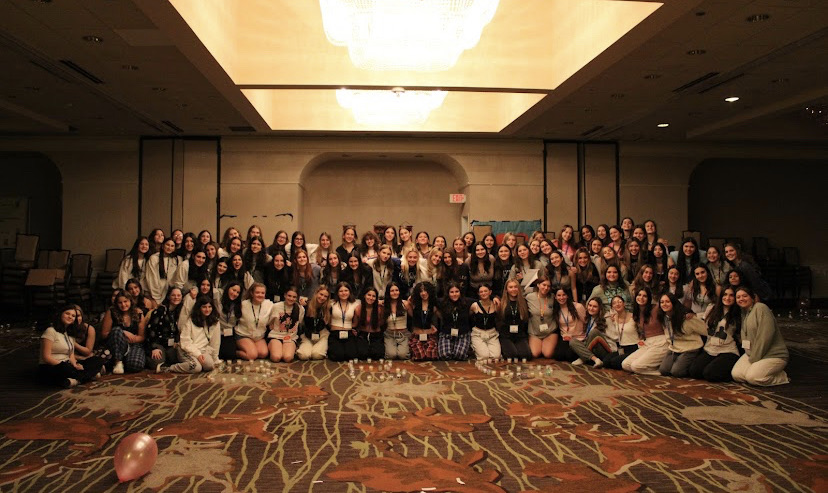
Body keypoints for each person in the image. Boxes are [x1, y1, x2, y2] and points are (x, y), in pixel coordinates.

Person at [731, 286, 789, 386]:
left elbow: (765, 337)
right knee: (737, 375)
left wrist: (753, 359)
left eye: (745, 296)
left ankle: (781, 376)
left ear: (752, 297)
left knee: (753, 378)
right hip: (752, 353)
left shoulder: (761, 308)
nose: (741, 299)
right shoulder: (744, 312)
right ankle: (758, 369)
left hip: (773, 354)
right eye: (738, 297)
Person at [37, 305, 103, 388]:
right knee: (65, 368)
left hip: (68, 365)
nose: (70, 317)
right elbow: (46, 357)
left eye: (73, 316)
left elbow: (71, 355)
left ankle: (76, 379)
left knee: (97, 360)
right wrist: (64, 365)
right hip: (52, 366)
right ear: (61, 314)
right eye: (67, 314)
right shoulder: (50, 331)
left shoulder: (70, 334)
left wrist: (75, 365)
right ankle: (87, 376)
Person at [688, 287, 741, 382]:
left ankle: (732, 371)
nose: (727, 298)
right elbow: (702, 319)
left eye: (731, 295)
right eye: (725, 294)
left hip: (727, 350)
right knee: (694, 372)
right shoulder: (712, 308)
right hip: (710, 348)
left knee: (710, 374)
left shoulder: (738, 313)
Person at [166, 296, 220, 373]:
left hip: (202, 350)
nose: (207, 310)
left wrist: (215, 358)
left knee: (209, 366)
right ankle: (169, 368)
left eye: (209, 307)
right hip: (186, 350)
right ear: (199, 308)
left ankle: (193, 363)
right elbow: (185, 342)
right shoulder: (190, 320)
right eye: (204, 307)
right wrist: (197, 355)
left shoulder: (215, 321)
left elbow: (216, 342)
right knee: (196, 368)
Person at [621, 288, 669, 375]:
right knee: (626, 365)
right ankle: (651, 366)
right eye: (639, 295)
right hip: (647, 343)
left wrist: (689, 313)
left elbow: (674, 306)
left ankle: (661, 372)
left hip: (661, 342)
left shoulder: (656, 308)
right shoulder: (637, 312)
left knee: (635, 367)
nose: (641, 298)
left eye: (645, 296)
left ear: (649, 298)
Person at [657, 292, 706, 378]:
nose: (664, 304)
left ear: (673, 303)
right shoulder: (664, 317)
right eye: (662, 302)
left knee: (677, 372)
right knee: (664, 370)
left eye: (667, 302)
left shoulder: (686, 317)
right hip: (674, 348)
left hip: (690, 348)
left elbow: (705, 330)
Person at [101, 292, 149, 374]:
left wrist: (131, 339)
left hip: (134, 344)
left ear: (130, 301)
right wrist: (122, 332)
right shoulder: (111, 312)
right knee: (117, 330)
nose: (123, 305)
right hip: (116, 342)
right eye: (120, 302)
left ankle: (122, 360)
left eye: (125, 301)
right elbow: (104, 334)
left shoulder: (138, 313)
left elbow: (142, 337)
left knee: (135, 365)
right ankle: (118, 361)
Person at [144, 287, 184, 372]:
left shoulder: (180, 312)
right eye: (173, 295)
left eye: (178, 295)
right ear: (168, 297)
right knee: (157, 362)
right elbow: (151, 330)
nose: (176, 297)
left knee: (178, 359)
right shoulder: (160, 310)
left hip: (172, 344)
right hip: (158, 343)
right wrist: (154, 348)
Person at [602, 295, 642, 370]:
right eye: (614, 303)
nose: (617, 304)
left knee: (615, 362)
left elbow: (641, 331)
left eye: (619, 302)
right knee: (606, 361)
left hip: (634, 347)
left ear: (624, 304)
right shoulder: (613, 318)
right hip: (621, 348)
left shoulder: (633, 317)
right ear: (612, 307)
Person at [236, 283, 273, 361]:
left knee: (263, 353)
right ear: (252, 293)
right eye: (257, 292)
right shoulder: (243, 305)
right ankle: (235, 352)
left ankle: (251, 347)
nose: (260, 295)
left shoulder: (269, 305)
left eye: (262, 293)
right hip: (243, 335)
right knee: (252, 355)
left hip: (259, 337)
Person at [266, 286, 304, 363]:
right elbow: (269, 322)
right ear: (285, 295)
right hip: (276, 336)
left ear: (297, 298)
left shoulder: (300, 308)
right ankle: (272, 347)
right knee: (276, 357)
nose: (291, 299)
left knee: (287, 358)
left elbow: (299, 322)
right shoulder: (276, 306)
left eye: (294, 297)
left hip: (290, 337)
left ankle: (290, 348)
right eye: (289, 296)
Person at [569, 298, 609, 368]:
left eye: (595, 306)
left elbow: (611, 338)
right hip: (591, 345)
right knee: (572, 341)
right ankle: (595, 359)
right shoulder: (588, 318)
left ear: (599, 308)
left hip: (603, 347)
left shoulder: (606, 318)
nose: (591, 308)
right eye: (590, 305)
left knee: (594, 332)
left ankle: (583, 358)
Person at [437, 283, 473, 360]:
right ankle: (452, 347)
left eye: (457, 291)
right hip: (446, 334)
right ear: (448, 293)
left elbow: (482, 299)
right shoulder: (442, 302)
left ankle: (462, 348)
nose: (454, 294)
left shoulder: (467, 302)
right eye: (452, 292)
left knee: (459, 355)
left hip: (463, 334)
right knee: (444, 355)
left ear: (460, 292)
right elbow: (429, 300)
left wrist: (494, 298)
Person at [498, 279, 531, 360]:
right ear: (506, 289)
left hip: (520, 335)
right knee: (512, 355)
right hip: (506, 335)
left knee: (526, 356)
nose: (513, 289)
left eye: (515, 287)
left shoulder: (524, 302)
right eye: (510, 287)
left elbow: (525, 320)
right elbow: (499, 320)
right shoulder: (501, 303)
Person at [327, 282, 360, 362]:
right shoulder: (332, 303)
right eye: (341, 291)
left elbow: (355, 323)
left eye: (346, 290)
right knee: (338, 356)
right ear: (337, 293)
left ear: (349, 292)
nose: (344, 293)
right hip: (335, 333)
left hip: (349, 333)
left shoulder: (355, 304)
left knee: (351, 356)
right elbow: (328, 320)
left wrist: (351, 328)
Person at [551, 288, 586, 362]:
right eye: (559, 295)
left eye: (564, 295)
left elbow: (586, 322)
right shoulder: (556, 309)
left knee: (569, 356)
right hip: (565, 338)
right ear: (555, 297)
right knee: (558, 356)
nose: (561, 298)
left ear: (567, 296)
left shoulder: (577, 307)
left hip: (577, 338)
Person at [297, 286, 331, 360]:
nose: (322, 298)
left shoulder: (328, 308)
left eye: (325, 296)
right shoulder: (306, 305)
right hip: (308, 335)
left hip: (322, 335)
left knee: (316, 355)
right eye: (321, 294)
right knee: (303, 356)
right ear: (316, 293)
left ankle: (320, 348)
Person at [525, 276, 557, 358]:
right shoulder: (529, 297)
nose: (546, 288)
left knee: (547, 354)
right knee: (535, 353)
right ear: (538, 285)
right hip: (535, 332)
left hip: (550, 331)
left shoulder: (553, 297)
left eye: (548, 286)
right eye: (544, 285)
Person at [408, 281, 439, 361]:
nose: (423, 293)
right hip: (417, 335)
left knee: (430, 355)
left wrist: (435, 327)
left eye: (425, 290)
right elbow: (404, 304)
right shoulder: (413, 303)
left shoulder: (434, 305)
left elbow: (442, 317)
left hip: (430, 335)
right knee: (419, 356)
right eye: (421, 291)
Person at [145, 237, 181, 304]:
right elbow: (152, 279)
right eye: (167, 245)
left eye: (172, 246)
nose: (169, 248)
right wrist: (156, 297)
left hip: (169, 293)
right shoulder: (154, 258)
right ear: (162, 246)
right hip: (155, 293)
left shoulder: (176, 259)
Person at [470, 284, 500, 360]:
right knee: (484, 356)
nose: (483, 293)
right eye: (481, 292)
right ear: (478, 294)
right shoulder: (474, 305)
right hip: (478, 333)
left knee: (496, 357)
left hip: (492, 334)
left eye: (485, 291)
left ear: (490, 292)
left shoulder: (496, 304)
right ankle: (473, 347)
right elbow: (468, 316)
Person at [215, 281, 243, 361]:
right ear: (228, 289)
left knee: (230, 356)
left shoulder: (238, 305)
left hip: (229, 333)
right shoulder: (219, 301)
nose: (235, 294)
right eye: (233, 290)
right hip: (218, 332)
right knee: (219, 354)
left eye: (237, 292)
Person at [383, 282, 411, 360]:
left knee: (403, 355)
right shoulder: (384, 305)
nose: (395, 293)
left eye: (396, 290)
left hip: (403, 334)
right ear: (388, 292)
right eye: (392, 291)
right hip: (390, 335)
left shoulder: (405, 304)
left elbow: (414, 316)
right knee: (391, 356)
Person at [356, 288, 384, 360]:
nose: (371, 298)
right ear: (364, 295)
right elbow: (355, 324)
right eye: (369, 295)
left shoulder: (380, 309)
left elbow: (382, 323)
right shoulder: (358, 308)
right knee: (362, 355)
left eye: (373, 296)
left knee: (377, 355)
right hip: (363, 335)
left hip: (376, 335)